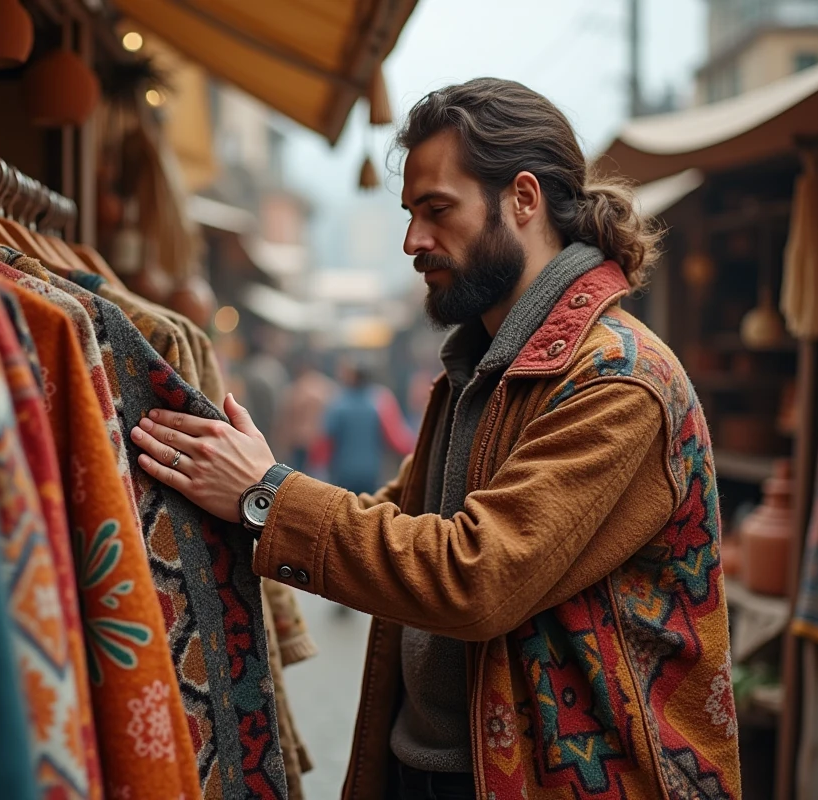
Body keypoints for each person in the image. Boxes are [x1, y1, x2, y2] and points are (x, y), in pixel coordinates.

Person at [128, 78, 740, 800]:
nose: (414, 240)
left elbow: (475, 575)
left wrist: (267, 494)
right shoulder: (486, 363)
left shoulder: (618, 380)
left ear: (523, 199)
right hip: (440, 769)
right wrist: (237, 488)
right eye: (410, 213)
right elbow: (407, 516)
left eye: (437, 210)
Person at [310, 361, 415, 496]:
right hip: (371, 473)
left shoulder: (338, 403)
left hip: (343, 472)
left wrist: (316, 467)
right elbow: (397, 439)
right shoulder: (379, 401)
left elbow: (324, 442)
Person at [273, 352, 337, 475]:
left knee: (298, 478)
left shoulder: (294, 389)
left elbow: (285, 421)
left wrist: (280, 446)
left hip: (299, 440)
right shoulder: (328, 387)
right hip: (320, 440)